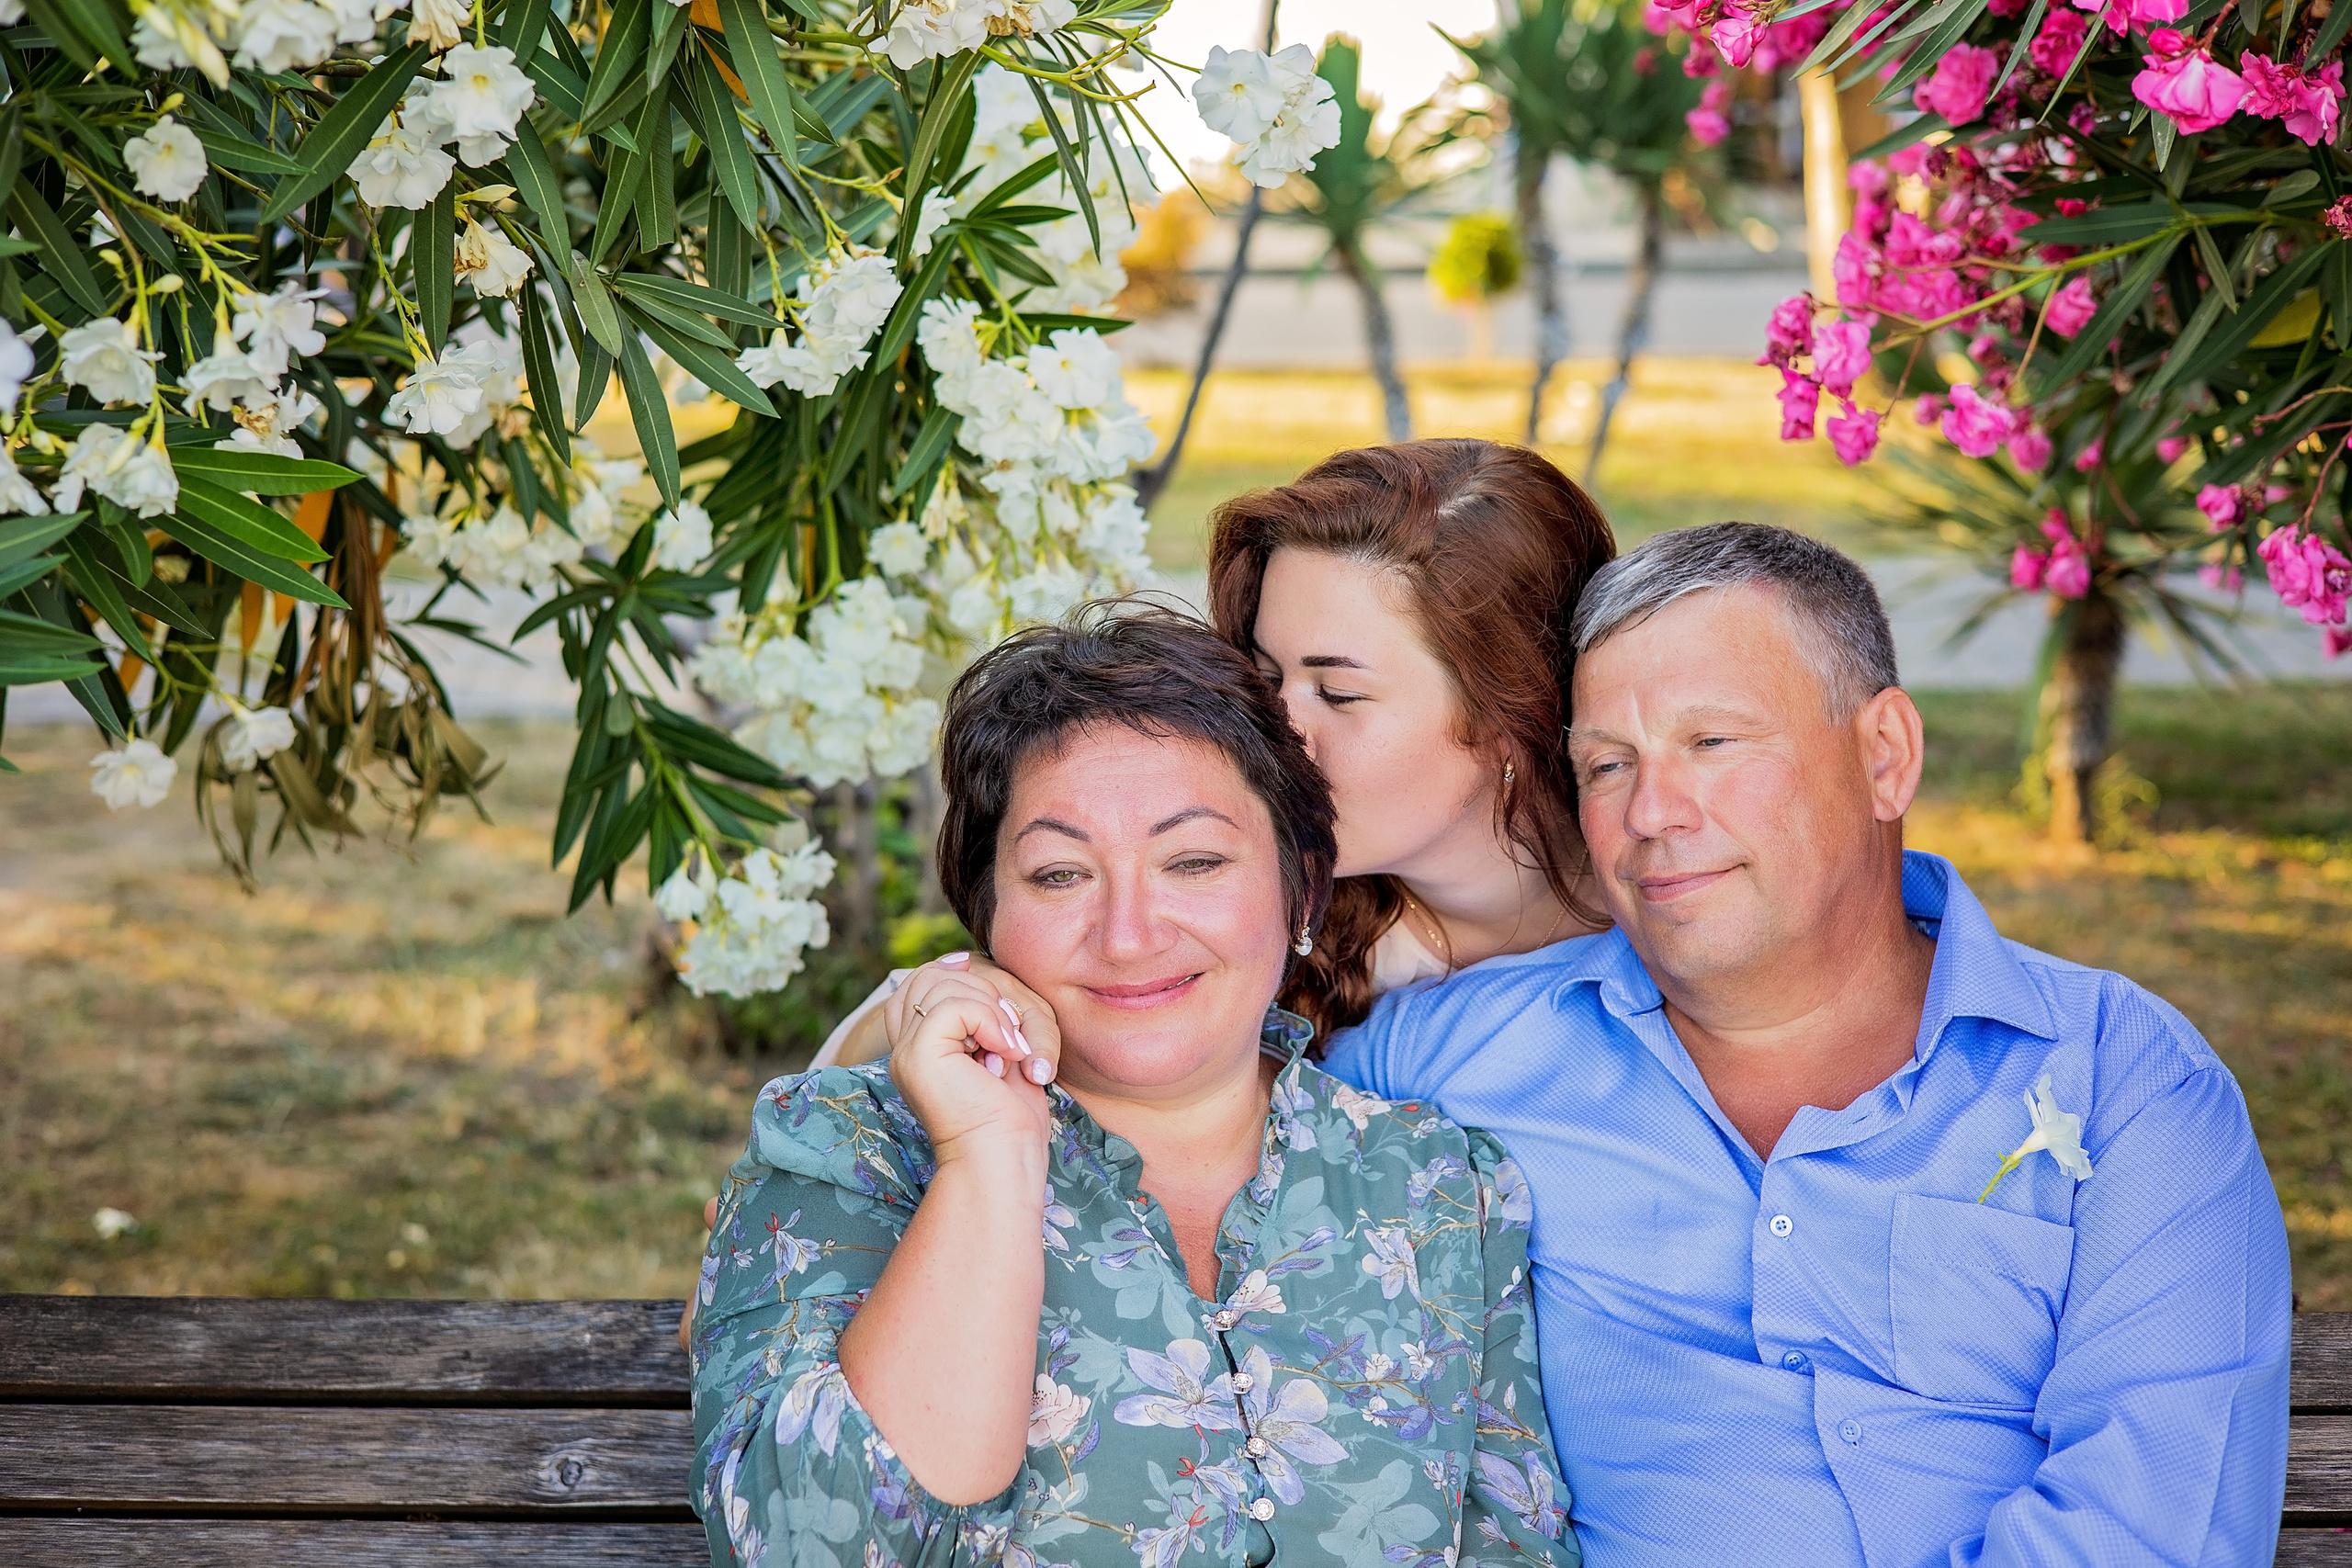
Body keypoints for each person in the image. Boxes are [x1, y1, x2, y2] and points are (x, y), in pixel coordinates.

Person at [1325, 522, 2293, 1565]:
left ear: (1883, 757)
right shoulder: (1451, 1058)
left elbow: (2149, 1533)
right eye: (1607, 765)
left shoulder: (2127, 1084)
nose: (1652, 811)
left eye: (1713, 742)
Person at [687, 607, 1579, 1567]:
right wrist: (987, 1159)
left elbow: (1515, 1545)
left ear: (1303, 891)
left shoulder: (1442, 1188)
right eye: (1061, 874)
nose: (1128, 935)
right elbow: (800, 1548)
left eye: (1193, 861)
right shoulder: (844, 1150)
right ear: (986, 915)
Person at [807, 437, 1615, 1066]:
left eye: (1338, 693)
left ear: (1514, 710)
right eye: (1266, 674)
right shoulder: (1243, 915)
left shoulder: (1672, 900)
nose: (1275, 725)